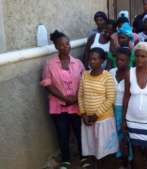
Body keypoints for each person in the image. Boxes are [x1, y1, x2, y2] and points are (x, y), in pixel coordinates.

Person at [40, 30, 84, 169]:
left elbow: (84, 82)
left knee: (79, 132)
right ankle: (66, 159)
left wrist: (76, 97)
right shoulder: (50, 64)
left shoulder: (78, 63)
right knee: (62, 133)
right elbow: (47, 84)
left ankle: (83, 156)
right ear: (56, 47)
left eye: (67, 43)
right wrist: (64, 98)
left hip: (76, 105)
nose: (66, 47)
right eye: (61, 45)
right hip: (58, 106)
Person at [78, 47, 119, 169]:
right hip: (88, 120)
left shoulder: (107, 77)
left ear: (102, 61)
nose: (91, 62)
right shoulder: (85, 75)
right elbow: (80, 95)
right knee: (93, 149)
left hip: (103, 121)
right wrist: (84, 114)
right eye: (90, 59)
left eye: (95, 59)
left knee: (105, 151)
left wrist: (96, 115)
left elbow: (110, 98)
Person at [109, 47, 133, 169]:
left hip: (127, 109)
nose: (119, 62)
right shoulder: (111, 72)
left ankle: (129, 160)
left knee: (128, 136)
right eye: (118, 59)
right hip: (111, 109)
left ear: (129, 61)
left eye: (123, 60)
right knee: (115, 136)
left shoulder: (133, 73)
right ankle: (118, 159)